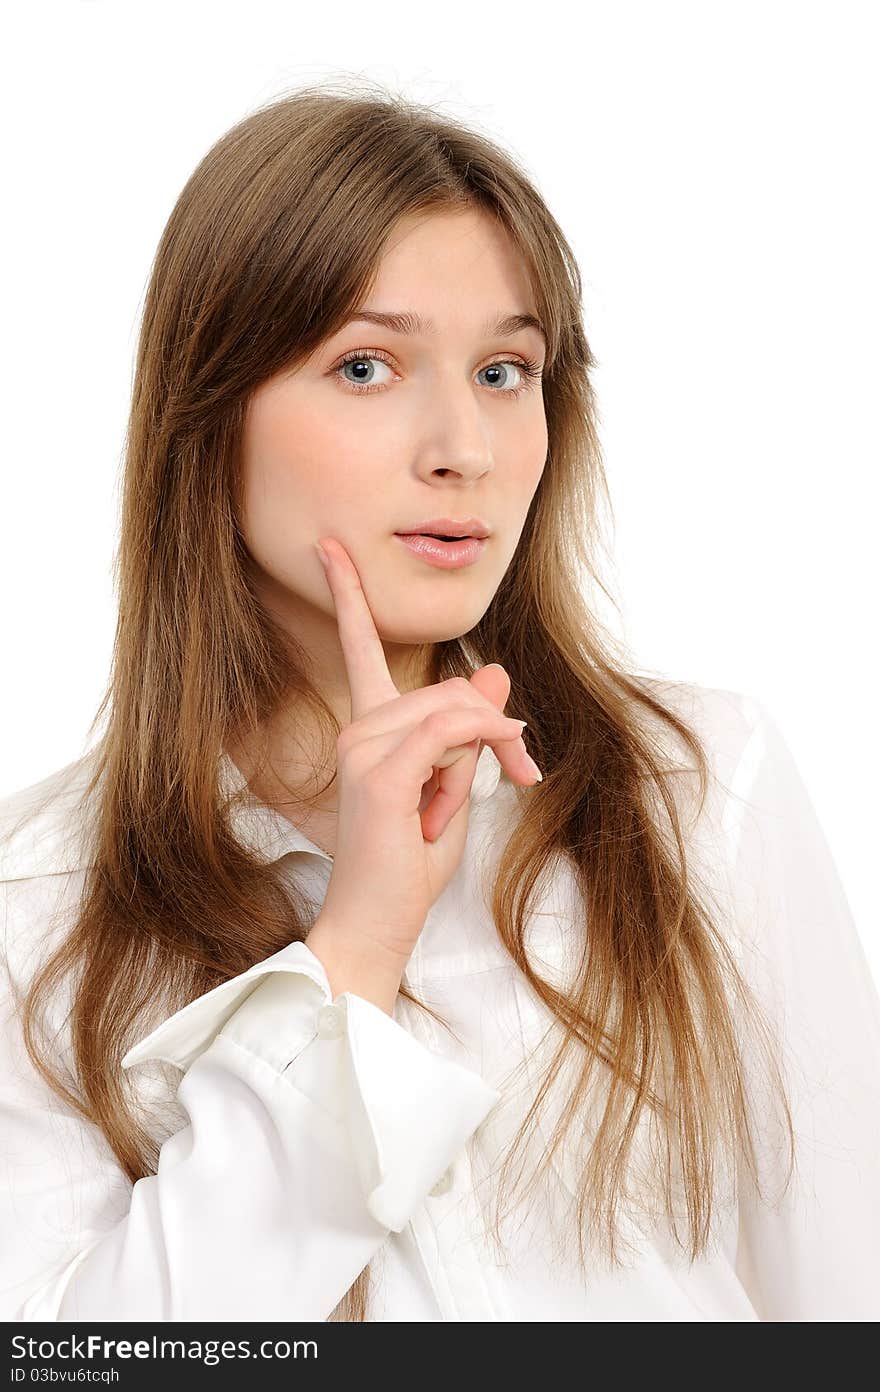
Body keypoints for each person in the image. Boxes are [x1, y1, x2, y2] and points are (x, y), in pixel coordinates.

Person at [2, 81, 879, 1324]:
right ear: (210, 420)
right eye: (366, 366)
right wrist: (352, 951)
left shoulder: (696, 790)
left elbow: (845, 1301)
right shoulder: (38, 902)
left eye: (505, 370)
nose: (461, 442)